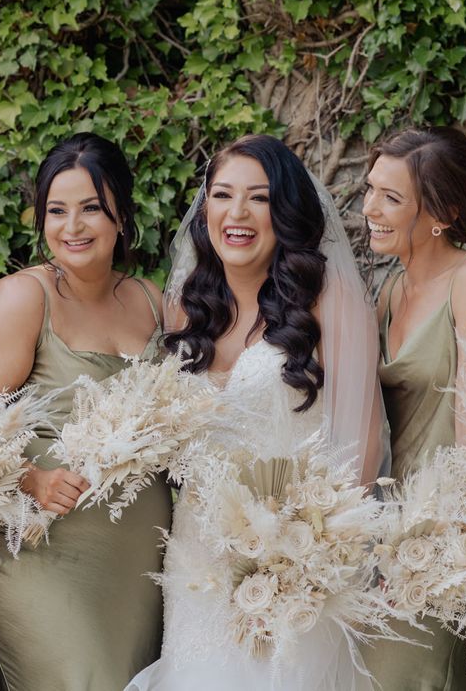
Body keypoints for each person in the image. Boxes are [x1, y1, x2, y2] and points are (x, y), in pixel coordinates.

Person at [128, 134, 387, 690]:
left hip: (295, 559)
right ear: (206, 210)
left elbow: (362, 449)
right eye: (222, 195)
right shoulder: (186, 306)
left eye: (259, 198)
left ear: (285, 210)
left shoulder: (329, 301)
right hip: (197, 557)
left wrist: (312, 560)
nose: (237, 214)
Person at [0, 132, 173, 691]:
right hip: (47, 552)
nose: (73, 227)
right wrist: (34, 478)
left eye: (91, 208)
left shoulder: (152, 300)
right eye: (57, 210)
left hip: (139, 558)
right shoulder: (25, 298)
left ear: (121, 213)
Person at [359, 126, 466, 690]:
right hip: (380, 538)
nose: (370, 209)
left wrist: (431, 544)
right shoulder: (386, 293)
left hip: (445, 540)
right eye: (370, 189)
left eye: (392, 197)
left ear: (443, 212)